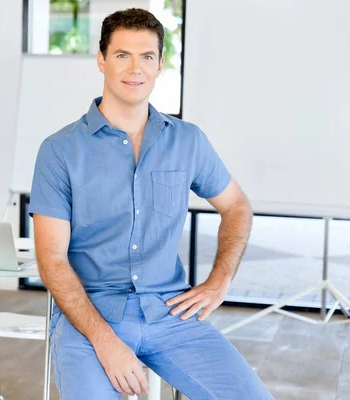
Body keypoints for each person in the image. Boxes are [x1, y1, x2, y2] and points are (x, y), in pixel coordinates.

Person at [29, 8, 274, 400]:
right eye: (123, 55)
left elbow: (237, 206)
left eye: (146, 57)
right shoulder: (60, 150)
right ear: (102, 60)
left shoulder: (188, 140)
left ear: (160, 65)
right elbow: (52, 260)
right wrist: (105, 342)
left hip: (171, 314)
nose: (135, 68)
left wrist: (219, 282)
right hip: (90, 317)